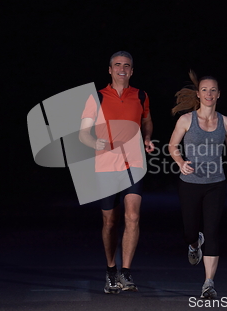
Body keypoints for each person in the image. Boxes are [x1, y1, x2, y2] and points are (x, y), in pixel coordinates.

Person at [168, 70, 227, 299]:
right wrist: (180, 161)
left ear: (218, 94)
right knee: (189, 232)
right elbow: (172, 146)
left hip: (216, 183)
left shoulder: (226, 121)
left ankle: (208, 284)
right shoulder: (186, 120)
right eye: (204, 90)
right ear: (198, 93)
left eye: (213, 90)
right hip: (190, 183)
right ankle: (194, 244)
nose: (209, 93)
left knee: (212, 231)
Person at [79, 51, 154, 294]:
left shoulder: (141, 95)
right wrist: (93, 143)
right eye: (117, 65)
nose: (122, 68)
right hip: (105, 166)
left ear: (132, 71)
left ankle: (126, 272)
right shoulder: (97, 97)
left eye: (127, 65)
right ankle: (111, 271)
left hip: (134, 164)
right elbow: (83, 134)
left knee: (132, 216)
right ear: (110, 70)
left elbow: (147, 120)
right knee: (109, 222)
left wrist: (147, 138)